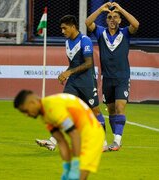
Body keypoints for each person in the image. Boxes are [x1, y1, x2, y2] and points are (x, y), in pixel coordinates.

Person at [36, 15, 108, 151]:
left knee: (95, 111)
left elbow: (88, 63)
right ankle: (52, 141)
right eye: (61, 28)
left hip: (87, 82)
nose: (62, 31)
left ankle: (103, 143)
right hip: (74, 82)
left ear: (73, 27)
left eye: (65, 28)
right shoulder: (67, 42)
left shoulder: (85, 40)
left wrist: (69, 72)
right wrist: (65, 73)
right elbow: (73, 63)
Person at [14, 90, 105, 180]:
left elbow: (74, 134)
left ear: (32, 102)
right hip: (81, 135)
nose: (26, 115)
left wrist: (75, 165)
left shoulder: (52, 107)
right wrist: (67, 167)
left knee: (78, 176)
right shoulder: (45, 115)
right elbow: (61, 142)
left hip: (92, 134)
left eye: (25, 111)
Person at [85, 2, 139, 151]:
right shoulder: (101, 32)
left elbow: (136, 24)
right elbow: (88, 22)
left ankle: (116, 140)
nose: (112, 19)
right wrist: (100, 10)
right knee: (111, 110)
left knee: (120, 107)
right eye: (109, 17)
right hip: (107, 78)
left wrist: (121, 8)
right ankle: (116, 140)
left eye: (115, 17)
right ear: (106, 20)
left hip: (122, 77)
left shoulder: (125, 33)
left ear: (120, 20)